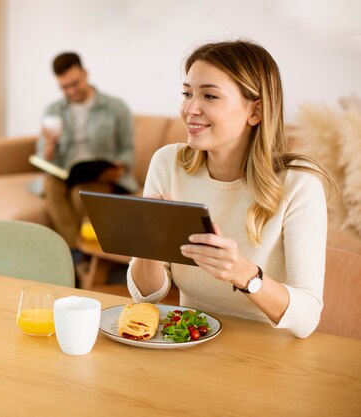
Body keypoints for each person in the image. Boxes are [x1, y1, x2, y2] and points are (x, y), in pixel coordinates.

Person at [127, 40, 335, 338]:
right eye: (187, 93)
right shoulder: (167, 164)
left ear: (255, 112)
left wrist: (243, 274)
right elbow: (148, 295)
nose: (189, 109)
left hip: (268, 357)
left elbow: (307, 319)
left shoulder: (299, 185)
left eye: (209, 96)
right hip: (191, 342)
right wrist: (146, 248)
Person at [36, 52, 137, 253]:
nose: (71, 91)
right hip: (66, 172)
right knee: (50, 184)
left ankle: (74, 256)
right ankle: (77, 253)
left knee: (78, 194)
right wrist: (49, 146)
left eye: (75, 83)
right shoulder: (53, 111)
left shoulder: (115, 107)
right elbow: (41, 157)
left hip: (100, 175)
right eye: (65, 87)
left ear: (85, 74)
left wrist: (120, 166)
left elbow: (128, 149)